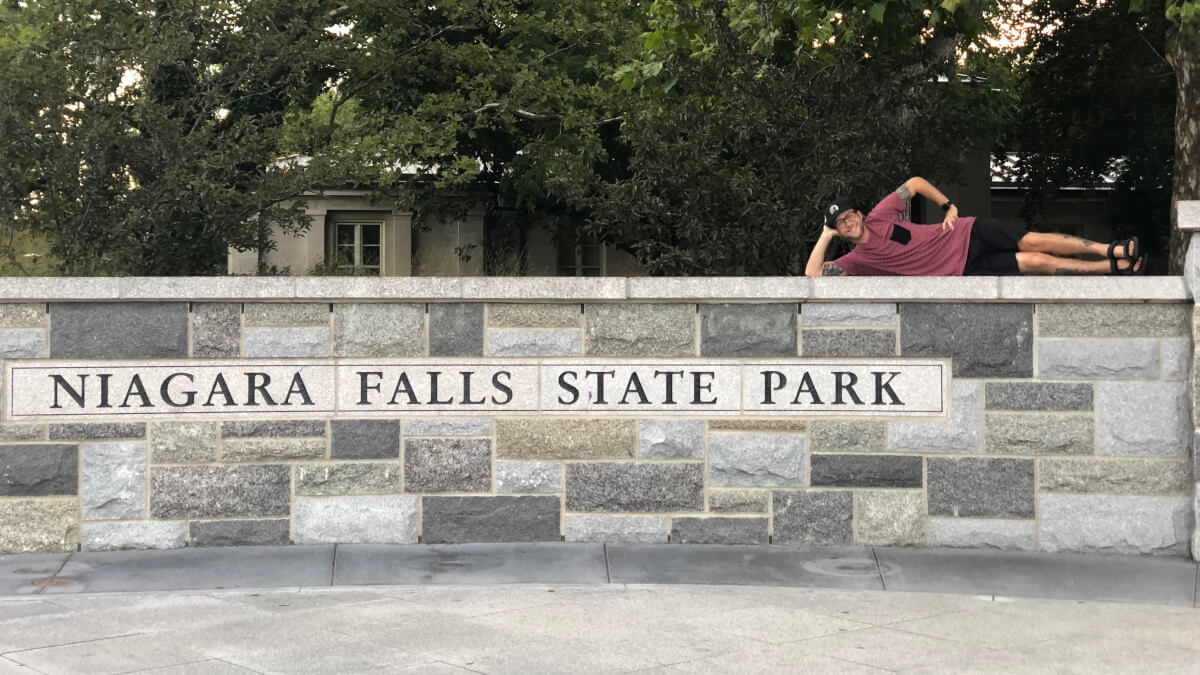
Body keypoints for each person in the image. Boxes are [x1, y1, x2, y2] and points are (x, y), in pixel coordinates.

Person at [805, 177, 1145, 277]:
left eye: (849, 216)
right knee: (1036, 264)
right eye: (839, 224)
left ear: (860, 213)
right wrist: (825, 235)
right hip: (963, 269)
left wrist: (948, 206)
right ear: (838, 230)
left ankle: (1111, 248)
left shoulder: (881, 213)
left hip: (967, 232)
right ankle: (1112, 268)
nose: (847, 223)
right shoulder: (857, 261)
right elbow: (812, 276)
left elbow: (916, 183)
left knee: (1033, 242)